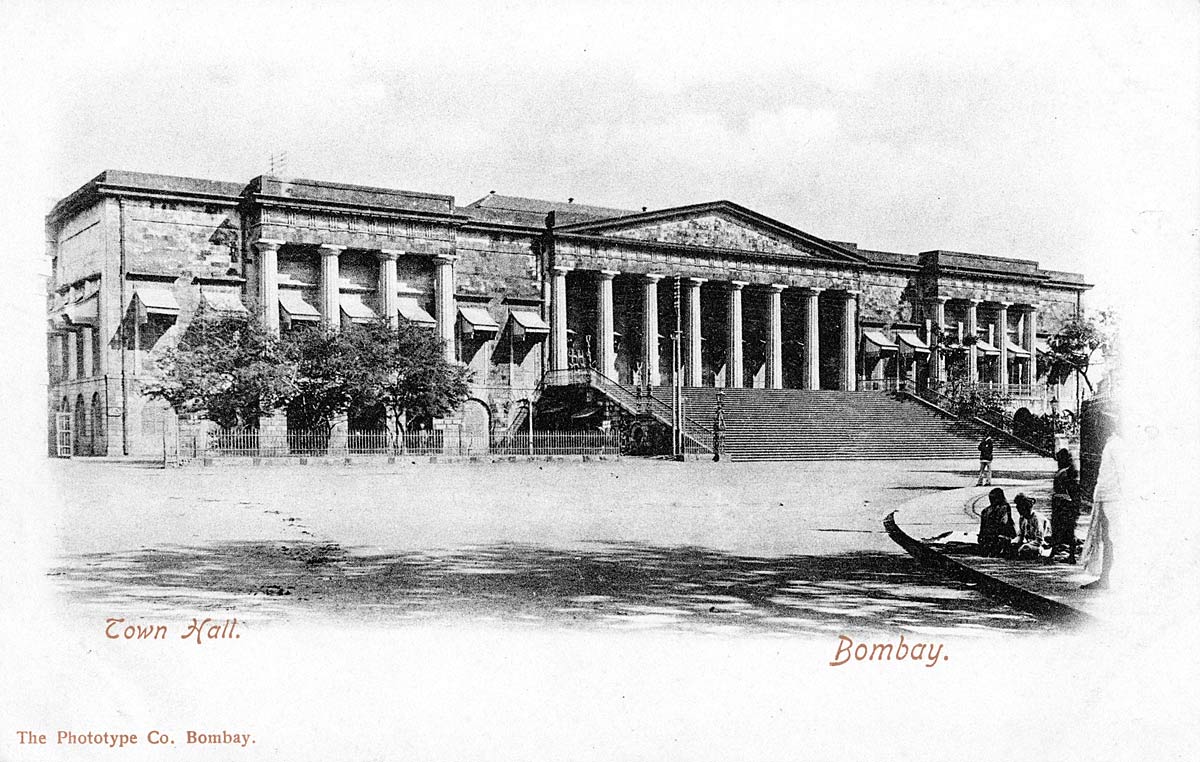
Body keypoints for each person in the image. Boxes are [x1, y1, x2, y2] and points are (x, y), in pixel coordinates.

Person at [1081, 430, 1122, 589]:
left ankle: (1109, 578)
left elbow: (1122, 473)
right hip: (1107, 497)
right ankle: (1105, 578)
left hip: (1114, 498)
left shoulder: (1116, 446)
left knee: (1113, 538)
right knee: (1107, 538)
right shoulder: (1113, 445)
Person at [1049, 448, 1081, 563]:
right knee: (1064, 529)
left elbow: (1072, 490)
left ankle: (1068, 555)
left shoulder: (1065, 472)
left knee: (1063, 529)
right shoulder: (1065, 471)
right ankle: (1063, 553)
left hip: (1063, 504)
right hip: (1061, 503)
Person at [977, 487, 1016, 557]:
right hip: (995, 536)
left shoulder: (987, 510)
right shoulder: (1002, 507)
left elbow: (1003, 523)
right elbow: (1003, 523)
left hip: (996, 536)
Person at [1012, 493, 1046, 560]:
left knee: (1025, 549)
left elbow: (1039, 540)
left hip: (1041, 546)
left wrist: (1025, 545)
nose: (1018, 509)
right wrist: (1014, 542)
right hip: (1029, 543)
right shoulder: (1022, 518)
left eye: (1020, 507)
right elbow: (1020, 535)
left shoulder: (1037, 519)